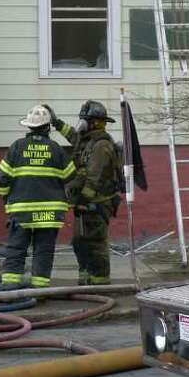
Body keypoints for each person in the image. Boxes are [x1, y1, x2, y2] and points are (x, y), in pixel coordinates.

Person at [0, 105, 76, 290]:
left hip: (22, 211)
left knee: (16, 247)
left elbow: (2, 177)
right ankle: (39, 288)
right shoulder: (56, 149)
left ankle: (10, 284)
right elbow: (71, 176)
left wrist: (5, 197)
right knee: (44, 250)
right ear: (48, 127)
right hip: (49, 212)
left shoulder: (17, 147)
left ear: (29, 126)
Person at [48, 100, 120, 286]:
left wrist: (83, 199)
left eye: (85, 120)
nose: (81, 123)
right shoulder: (86, 139)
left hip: (97, 202)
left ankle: (100, 282)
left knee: (95, 244)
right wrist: (56, 122)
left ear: (95, 122)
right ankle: (86, 277)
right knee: (80, 242)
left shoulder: (101, 145)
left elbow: (94, 178)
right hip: (85, 203)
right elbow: (72, 135)